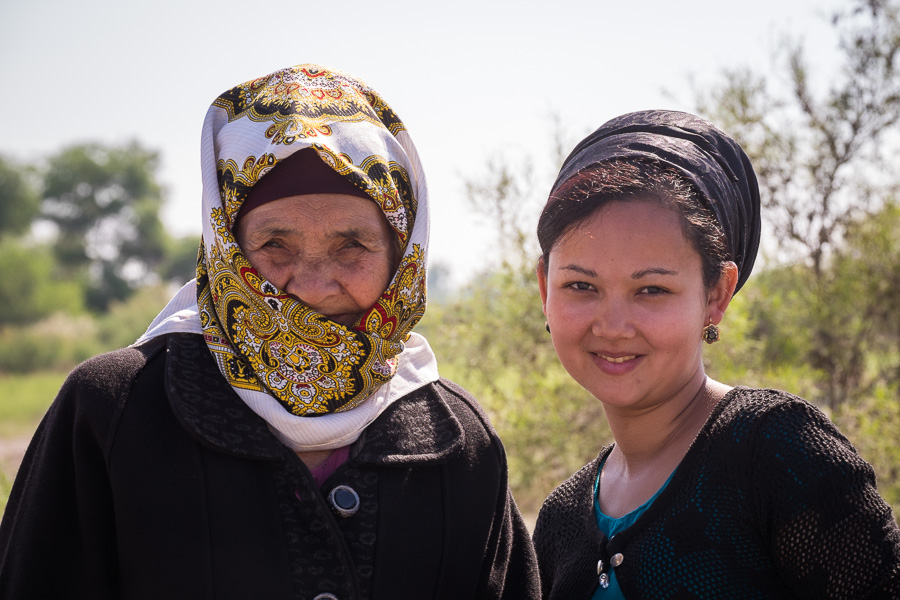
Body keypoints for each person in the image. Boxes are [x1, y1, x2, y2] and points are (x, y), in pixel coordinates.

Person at [0, 64, 540, 599]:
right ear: (226, 248)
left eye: (352, 244)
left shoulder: (457, 441)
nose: (311, 286)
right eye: (274, 244)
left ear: (401, 257)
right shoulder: (114, 410)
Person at [531, 110, 900, 599]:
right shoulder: (560, 522)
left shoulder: (778, 453)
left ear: (716, 295)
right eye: (581, 285)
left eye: (652, 290)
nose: (613, 326)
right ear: (544, 289)